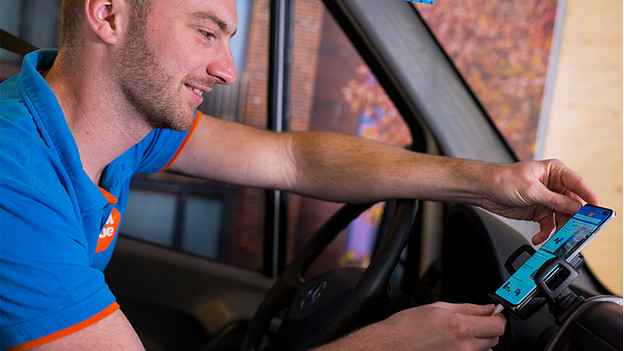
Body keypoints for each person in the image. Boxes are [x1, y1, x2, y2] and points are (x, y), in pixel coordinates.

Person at [0, 0, 601, 350]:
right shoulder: (14, 182)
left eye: (229, 38)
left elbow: (293, 160)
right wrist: (388, 343)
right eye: (206, 32)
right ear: (109, 14)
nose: (227, 69)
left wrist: (491, 183)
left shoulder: (121, 119)